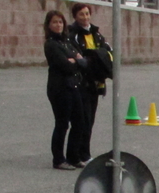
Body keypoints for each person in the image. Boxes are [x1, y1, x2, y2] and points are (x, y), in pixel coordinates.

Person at [68, 2, 110, 165]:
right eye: (81, 14)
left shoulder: (96, 33)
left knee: (90, 119)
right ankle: (78, 154)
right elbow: (78, 58)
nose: (85, 17)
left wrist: (95, 60)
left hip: (96, 82)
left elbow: (106, 52)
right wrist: (92, 60)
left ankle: (84, 153)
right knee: (81, 120)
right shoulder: (73, 34)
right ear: (75, 17)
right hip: (81, 83)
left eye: (87, 14)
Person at [43, 10, 86, 170]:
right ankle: (58, 159)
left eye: (60, 22)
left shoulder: (66, 42)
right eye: (54, 22)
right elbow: (66, 66)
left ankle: (73, 156)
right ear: (49, 25)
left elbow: (82, 60)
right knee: (62, 123)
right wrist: (75, 61)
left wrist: (75, 60)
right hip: (59, 88)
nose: (58, 25)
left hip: (72, 85)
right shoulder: (51, 44)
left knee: (79, 121)